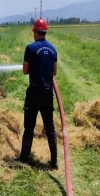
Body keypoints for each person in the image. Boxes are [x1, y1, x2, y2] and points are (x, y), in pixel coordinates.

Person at [14, 18, 58, 169]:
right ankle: (54, 162)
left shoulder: (30, 48)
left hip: (34, 92)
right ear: (45, 32)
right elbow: (55, 72)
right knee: (50, 127)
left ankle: (24, 159)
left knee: (29, 127)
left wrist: (35, 68)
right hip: (47, 92)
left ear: (36, 32)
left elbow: (25, 71)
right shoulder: (53, 49)